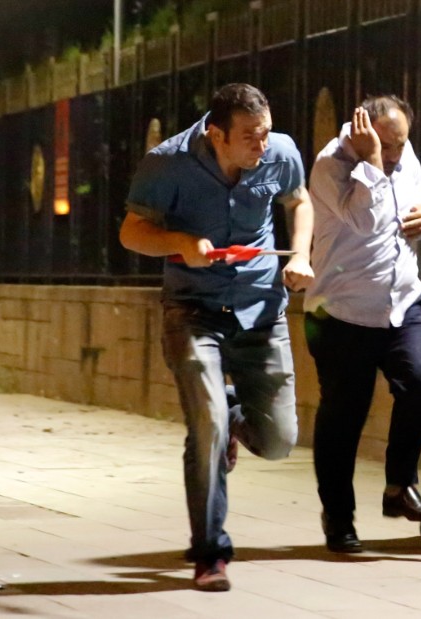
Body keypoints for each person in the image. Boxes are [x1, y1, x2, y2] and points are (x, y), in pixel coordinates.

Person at [118, 83, 314, 592]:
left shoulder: (281, 151)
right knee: (205, 421)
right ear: (216, 134)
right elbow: (132, 232)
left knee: (277, 441)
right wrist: (181, 243)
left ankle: (233, 415)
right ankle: (210, 552)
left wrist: (302, 254)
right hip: (193, 308)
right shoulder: (167, 164)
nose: (262, 145)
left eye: (266, 133)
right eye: (250, 137)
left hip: (260, 308)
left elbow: (300, 202)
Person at [304, 95, 421, 553]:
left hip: (402, 304)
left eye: (400, 145)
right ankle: (339, 519)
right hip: (343, 312)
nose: (394, 156)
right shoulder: (332, 165)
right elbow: (365, 220)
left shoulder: (404, 155)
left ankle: (399, 485)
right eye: (385, 146)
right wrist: (370, 162)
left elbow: (416, 205)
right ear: (362, 130)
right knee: (344, 419)